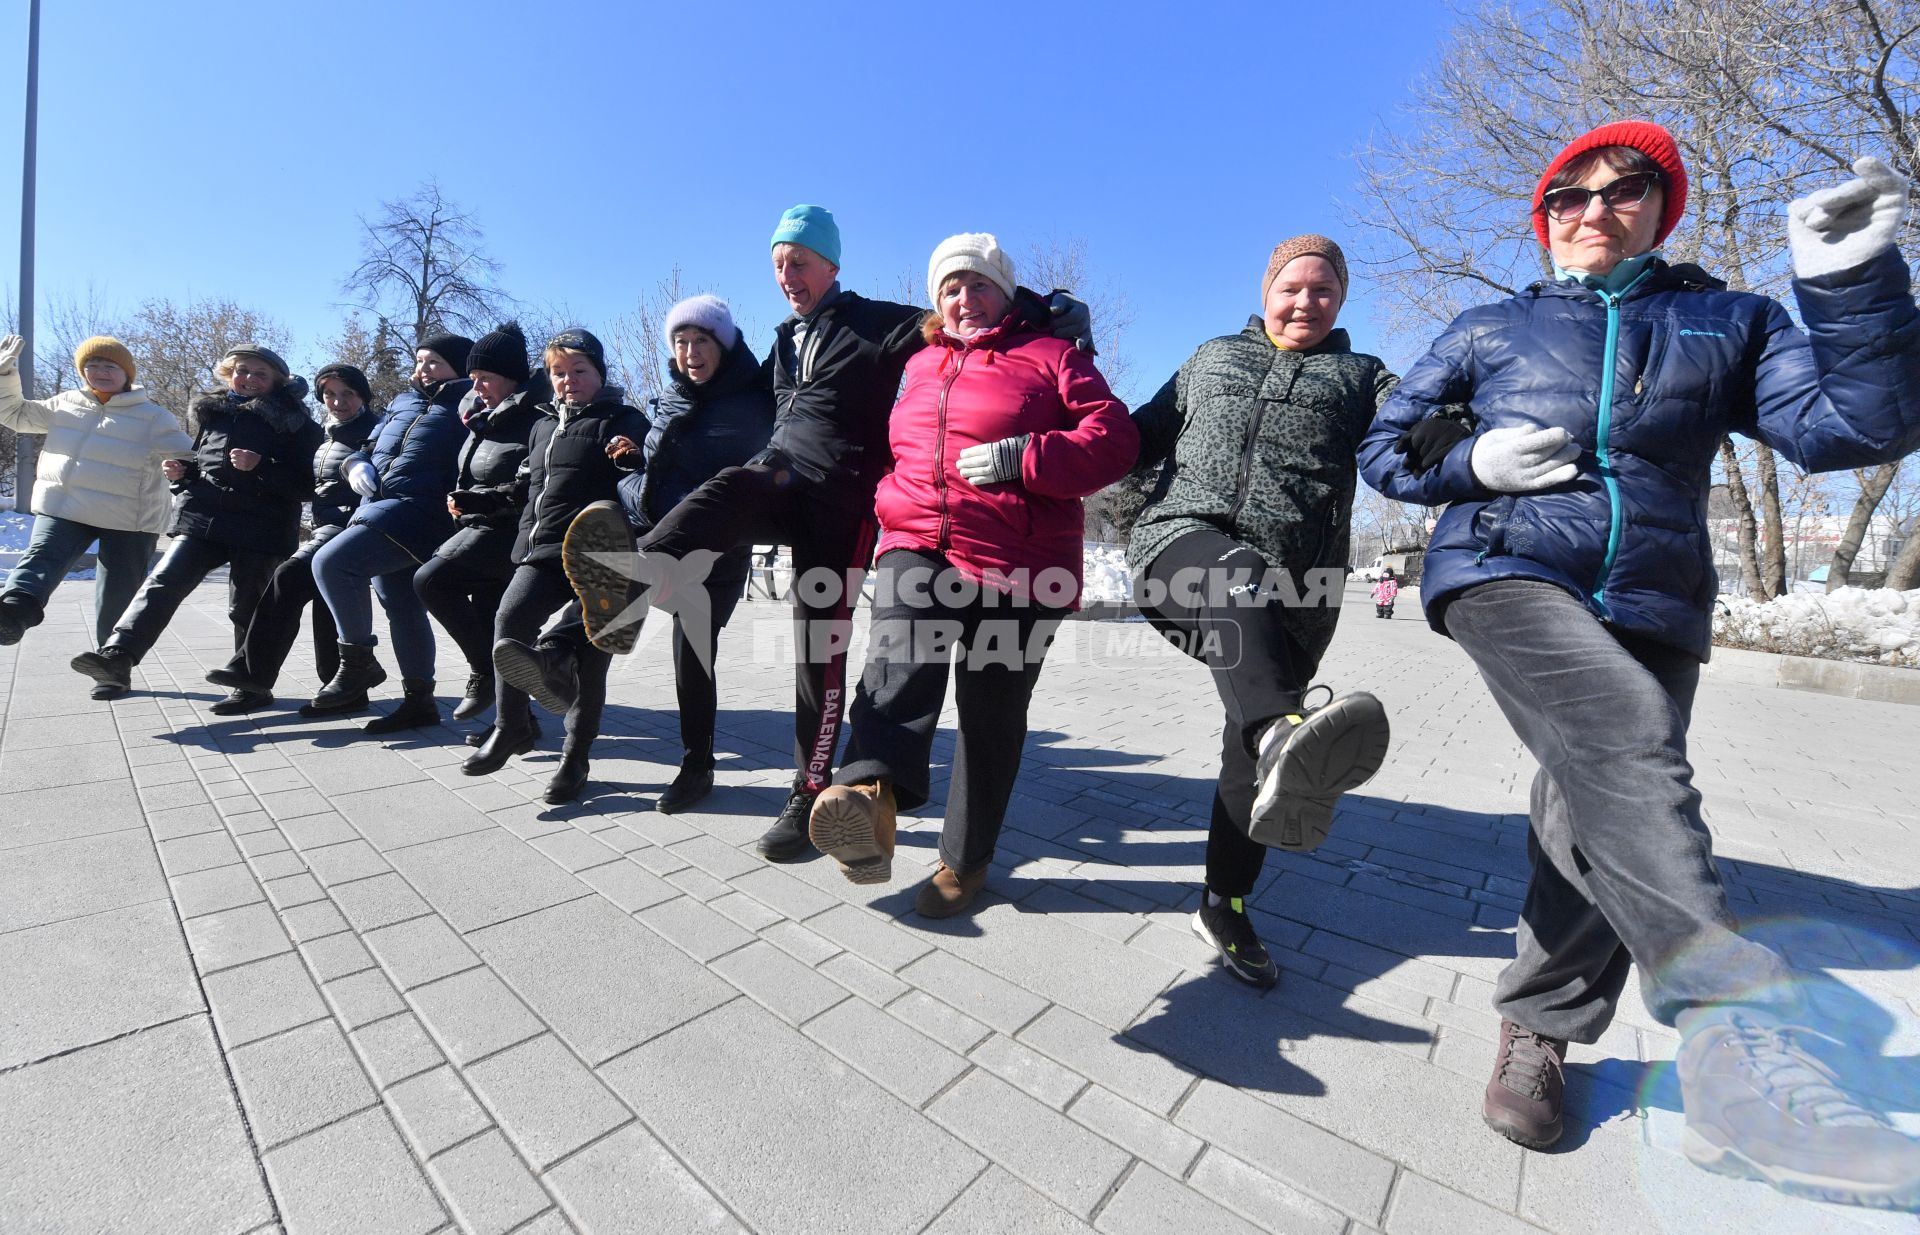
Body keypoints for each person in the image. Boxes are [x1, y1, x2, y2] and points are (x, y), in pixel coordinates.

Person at [1358, 121, 1920, 1203]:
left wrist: (1851, 284)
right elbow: (1389, 445)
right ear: (1544, 218)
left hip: (1657, 598)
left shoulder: (1733, 322)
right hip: (1506, 564)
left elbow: (1858, 427)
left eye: (1625, 190)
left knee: (1592, 805)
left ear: (1666, 210)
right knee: (1625, 736)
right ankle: (1736, 1038)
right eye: (1568, 196)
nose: (1592, 210)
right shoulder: (1491, 325)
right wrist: (1471, 457)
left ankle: (1539, 1029)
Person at [545, 205, 1091, 861]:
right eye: (778, 264)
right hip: (781, 476)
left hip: (843, 500)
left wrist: (1050, 312)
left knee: (817, 646)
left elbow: (963, 319)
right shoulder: (782, 341)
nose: (787, 275)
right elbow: (742, 390)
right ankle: (621, 590)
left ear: (830, 264)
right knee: (726, 487)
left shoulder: (875, 321)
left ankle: (809, 790)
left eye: (798, 261)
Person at [807, 234, 1137, 916]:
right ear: (937, 303)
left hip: (1021, 561)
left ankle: (966, 861)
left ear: (1006, 292)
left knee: (991, 714)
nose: (964, 298)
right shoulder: (920, 363)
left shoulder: (1052, 357)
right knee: (898, 653)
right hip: (918, 538)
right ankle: (868, 798)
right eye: (950, 289)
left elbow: (1116, 439)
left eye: (978, 285)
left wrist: (1028, 456)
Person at [1127, 234, 1394, 988]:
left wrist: (1446, 427)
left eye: (1324, 292)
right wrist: (1048, 436)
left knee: (1251, 755)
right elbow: (1137, 435)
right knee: (1234, 576)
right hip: (1182, 545)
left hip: (1296, 590)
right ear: (1267, 286)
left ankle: (1226, 901)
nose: (1306, 301)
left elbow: (1409, 421)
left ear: (1340, 301)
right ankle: (1283, 730)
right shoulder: (1211, 355)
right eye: (1294, 286)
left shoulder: (1361, 376)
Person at [71, 345, 322, 697]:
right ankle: (117, 659)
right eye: (242, 370)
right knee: (162, 582)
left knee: (245, 607)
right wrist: (183, 475)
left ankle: (250, 684)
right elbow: (207, 466)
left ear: (277, 382)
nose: (248, 378)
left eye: (260, 374)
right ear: (229, 372)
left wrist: (261, 466)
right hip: (204, 518)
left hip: (262, 527)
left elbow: (306, 486)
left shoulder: (298, 424)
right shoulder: (214, 412)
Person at [468, 329, 646, 804]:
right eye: (558, 373)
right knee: (509, 621)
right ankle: (511, 727)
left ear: (600, 373)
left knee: (591, 661)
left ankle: (575, 758)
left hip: (599, 555)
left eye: (579, 371)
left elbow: (644, 481)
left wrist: (633, 458)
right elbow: (530, 484)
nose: (568, 381)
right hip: (542, 549)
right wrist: (481, 500)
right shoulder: (542, 423)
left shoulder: (622, 418)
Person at [0, 335, 191, 693]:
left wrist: (182, 469)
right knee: (41, 555)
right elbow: (14, 413)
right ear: (82, 370)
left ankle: (112, 666)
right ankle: (13, 613)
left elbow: (189, 457)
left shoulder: (152, 416)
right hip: (66, 506)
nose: (100, 372)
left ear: (126, 373)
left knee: (117, 595)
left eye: (110, 365)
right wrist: (5, 373)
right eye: (93, 365)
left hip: (130, 518)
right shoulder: (64, 404)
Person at [306, 334, 472, 732]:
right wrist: (355, 466)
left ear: (460, 367)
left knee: (331, 562)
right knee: (400, 603)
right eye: (419, 361)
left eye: (433, 362)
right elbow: (366, 446)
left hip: (421, 512)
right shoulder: (403, 402)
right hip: (378, 508)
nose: (422, 370)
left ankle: (357, 665)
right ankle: (420, 702)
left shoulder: (470, 404)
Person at [204, 363, 380, 714]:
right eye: (329, 394)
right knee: (327, 606)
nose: (338, 401)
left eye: (348, 393)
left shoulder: (374, 432)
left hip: (353, 528)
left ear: (363, 395)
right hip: (325, 528)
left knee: (288, 577)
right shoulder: (329, 433)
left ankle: (251, 673)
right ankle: (345, 692)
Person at [412, 324, 547, 736]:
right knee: (498, 628)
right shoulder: (482, 415)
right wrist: (463, 496)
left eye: (485, 378)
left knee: (431, 581)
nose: (478, 386)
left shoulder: (536, 418)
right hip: (479, 523)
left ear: (511, 377)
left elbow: (530, 483)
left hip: (508, 531)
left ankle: (484, 674)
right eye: (473, 379)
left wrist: (480, 499)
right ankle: (520, 722)